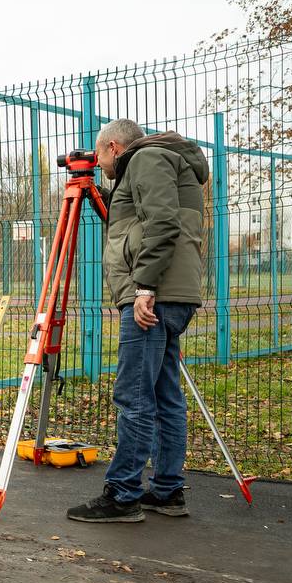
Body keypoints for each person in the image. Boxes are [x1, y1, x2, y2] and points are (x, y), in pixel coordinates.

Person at [66, 119, 208, 523]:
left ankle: (123, 493)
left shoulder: (147, 159)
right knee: (164, 395)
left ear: (114, 147)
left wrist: (144, 286)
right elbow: (136, 221)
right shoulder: (166, 161)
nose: (100, 164)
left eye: (100, 157)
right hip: (172, 294)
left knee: (134, 396)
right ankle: (166, 490)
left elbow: (162, 222)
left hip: (152, 296)